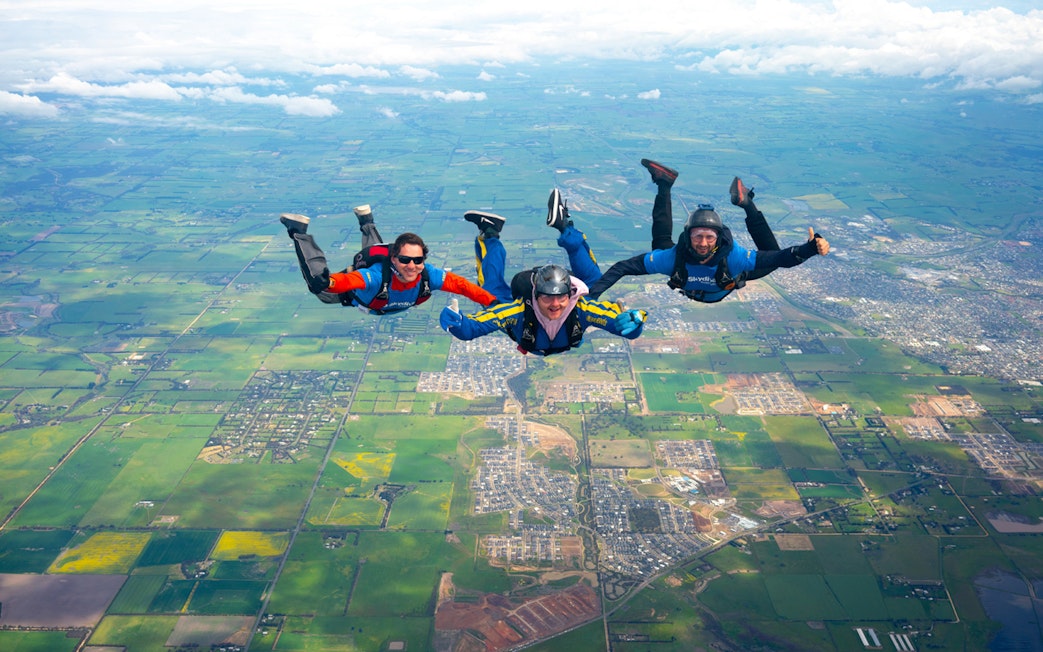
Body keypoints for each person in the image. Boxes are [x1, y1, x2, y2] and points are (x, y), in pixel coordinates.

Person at [583, 159, 830, 303]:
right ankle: (665, 184)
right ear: (688, 237)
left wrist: (811, 248)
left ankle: (745, 203)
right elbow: (623, 267)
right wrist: (590, 297)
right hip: (707, 284)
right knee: (660, 248)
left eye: (709, 237)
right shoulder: (672, 258)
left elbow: (782, 258)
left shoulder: (734, 258)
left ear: (718, 238)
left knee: (771, 256)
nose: (702, 243)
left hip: (729, 279)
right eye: (697, 236)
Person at [438, 211, 648, 355]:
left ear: (570, 294)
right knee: (490, 293)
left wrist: (633, 324)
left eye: (561, 297)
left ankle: (566, 230)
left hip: (540, 336)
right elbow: (472, 329)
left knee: (594, 284)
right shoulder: (517, 311)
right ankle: (490, 233)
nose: (555, 304)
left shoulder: (582, 308)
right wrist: (456, 323)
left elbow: (620, 325)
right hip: (527, 326)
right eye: (547, 297)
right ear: (535, 296)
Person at [280, 205, 498, 315]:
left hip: (379, 297)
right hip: (358, 292)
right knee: (319, 289)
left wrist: (492, 302)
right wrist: (329, 282)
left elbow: (462, 286)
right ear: (394, 259)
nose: (412, 266)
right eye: (405, 260)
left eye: (418, 260)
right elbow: (349, 281)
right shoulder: (374, 276)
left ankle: (367, 221)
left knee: (374, 253)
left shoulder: (429, 275)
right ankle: (298, 231)